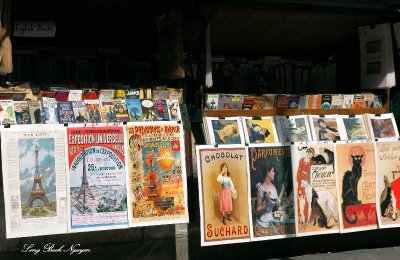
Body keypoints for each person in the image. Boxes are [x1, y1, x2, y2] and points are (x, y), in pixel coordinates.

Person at [255, 162, 279, 229]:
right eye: (272, 171)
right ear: (267, 173)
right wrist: (265, 202)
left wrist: (283, 189)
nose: (274, 173)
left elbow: (278, 204)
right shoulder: (261, 188)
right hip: (262, 222)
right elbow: (258, 211)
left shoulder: (273, 187)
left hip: (271, 220)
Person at [296, 147, 315, 224]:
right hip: (302, 182)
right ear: (307, 152)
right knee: (301, 199)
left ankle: (308, 219)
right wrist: (300, 181)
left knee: (309, 200)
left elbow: (313, 172)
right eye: (310, 153)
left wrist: (310, 182)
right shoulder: (301, 160)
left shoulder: (312, 162)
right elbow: (299, 170)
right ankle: (302, 217)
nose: (310, 156)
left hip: (309, 182)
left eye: (312, 155)